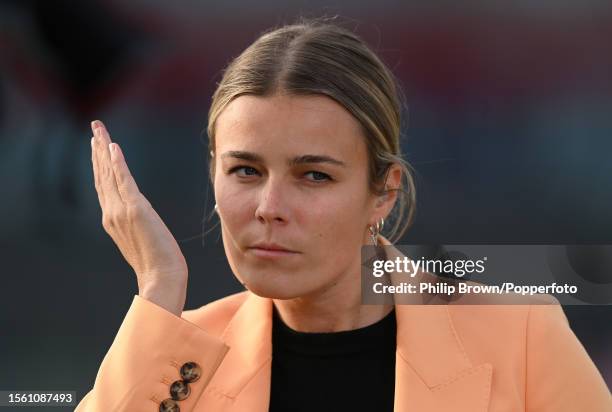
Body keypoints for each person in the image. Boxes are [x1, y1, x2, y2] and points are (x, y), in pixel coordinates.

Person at [76, 17, 611, 412]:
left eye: (314, 176)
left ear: (383, 192)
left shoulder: (519, 333)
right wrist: (158, 287)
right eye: (245, 171)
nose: (269, 209)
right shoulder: (169, 360)